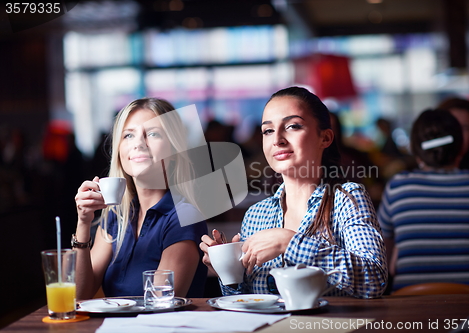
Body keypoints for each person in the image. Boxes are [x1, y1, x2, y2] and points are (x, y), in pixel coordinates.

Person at [200, 86, 388, 299]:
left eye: (292, 126)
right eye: (268, 130)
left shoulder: (348, 199)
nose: (277, 139)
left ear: (325, 138)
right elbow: (248, 300)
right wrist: (229, 272)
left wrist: (289, 243)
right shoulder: (255, 215)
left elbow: (374, 280)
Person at [74, 97, 207, 300]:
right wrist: (83, 223)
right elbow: (79, 295)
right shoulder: (116, 214)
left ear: (173, 149)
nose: (138, 143)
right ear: (119, 151)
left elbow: (160, 304)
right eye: (128, 135)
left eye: (153, 134)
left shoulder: (184, 216)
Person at [378, 109, 469, 292]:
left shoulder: (398, 185)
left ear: (417, 151)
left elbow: (381, 247)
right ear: (459, 146)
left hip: (409, 301)